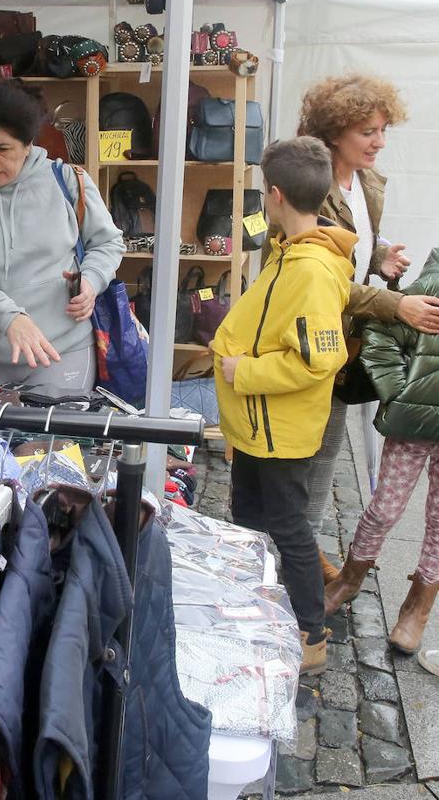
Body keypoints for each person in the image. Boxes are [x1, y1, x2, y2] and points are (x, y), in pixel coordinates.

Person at [212, 137, 357, 675]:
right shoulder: (287, 252)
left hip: (279, 427)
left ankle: (310, 635)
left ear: (274, 195)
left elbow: (319, 359)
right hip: (257, 425)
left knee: (289, 525)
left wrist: (243, 371)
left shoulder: (312, 270)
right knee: (248, 515)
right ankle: (256, 605)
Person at [294, 75, 439, 581]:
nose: (379, 142)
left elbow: (346, 257)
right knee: (303, 450)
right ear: (334, 133)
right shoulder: (309, 187)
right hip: (312, 335)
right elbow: (312, 277)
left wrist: (378, 258)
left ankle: (303, 544)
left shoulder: (366, 184)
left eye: (382, 130)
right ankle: (292, 546)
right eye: (367, 132)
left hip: (346, 338)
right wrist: (394, 304)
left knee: (328, 448)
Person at [0, 80, 123, 394]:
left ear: (28, 143)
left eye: (2, 149)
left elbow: (108, 242)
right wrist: (9, 318)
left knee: (49, 444)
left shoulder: (68, 181)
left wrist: (92, 280)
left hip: (62, 351)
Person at [324, 248, 439, 655]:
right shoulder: (432, 286)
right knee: (384, 508)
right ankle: (349, 579)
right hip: (415, 424)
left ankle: (418, 607)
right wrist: (398, 392)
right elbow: (381, 332)